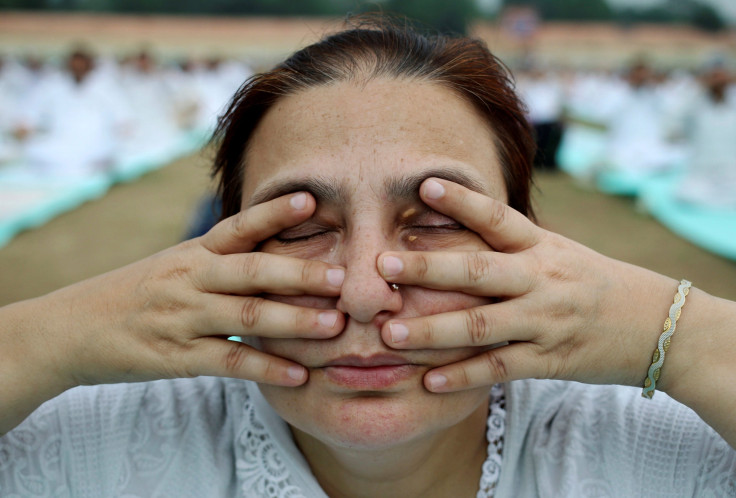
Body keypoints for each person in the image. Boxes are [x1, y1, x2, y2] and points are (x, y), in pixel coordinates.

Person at [1, 18, 735, 497]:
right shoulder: (85, 445)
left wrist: (676, 334)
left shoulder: (661, 449)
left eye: (439, 221)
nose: (361, 291)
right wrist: (49, 336)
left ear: (529, 243)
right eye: (298, 229)